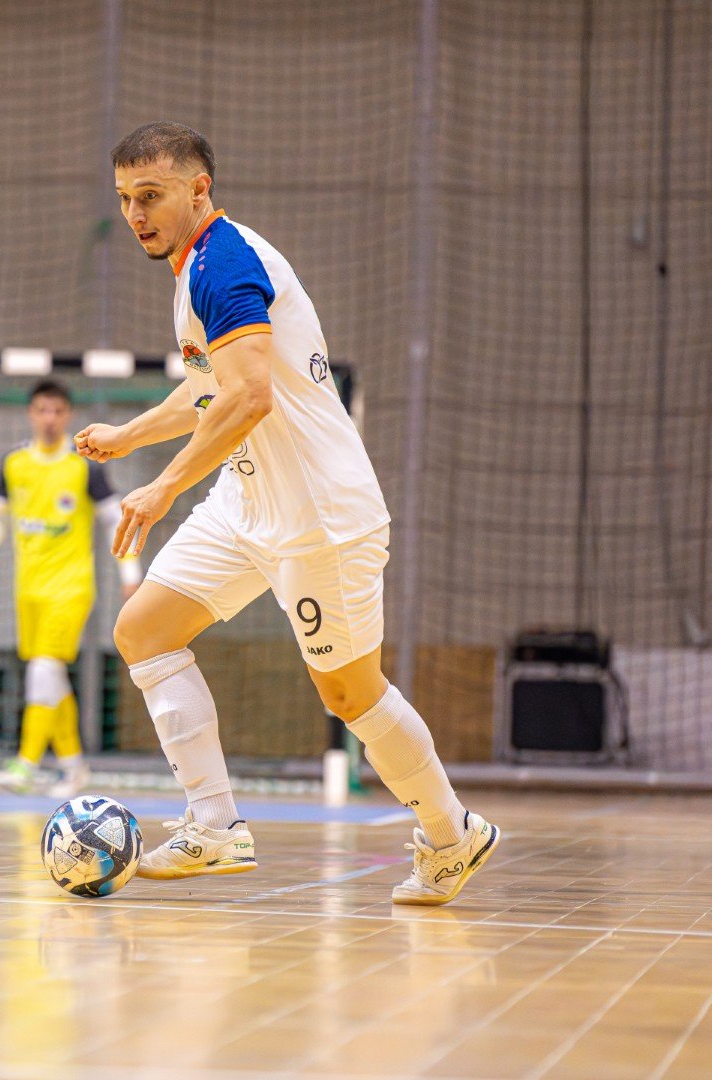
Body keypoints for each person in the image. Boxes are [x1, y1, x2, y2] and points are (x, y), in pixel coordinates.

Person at [76, 121, 498, 905]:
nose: (137, 213)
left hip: (318, 515)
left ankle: (452, 833)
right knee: (143, 631)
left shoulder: (224, 262)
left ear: (199, 189)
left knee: (350, 694)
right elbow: (213, 381)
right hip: (246, 502)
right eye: (126, 199)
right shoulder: (197, 264)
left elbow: (249, 395)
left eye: (152, 195)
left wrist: (162, 485)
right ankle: (213, 826)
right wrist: (131, 433)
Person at [0, 379, 143, 799]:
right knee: (51, 677)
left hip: (71, 588)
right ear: (30, 413)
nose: (49, 418)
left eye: (58, 411)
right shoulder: (14, 463)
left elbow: (115, 520)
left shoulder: (86, 467)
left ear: (69, 416)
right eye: (42, 410)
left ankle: (26, 763)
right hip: (28, 591)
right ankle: (74, 766)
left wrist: (130, 576)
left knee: (43, 670)